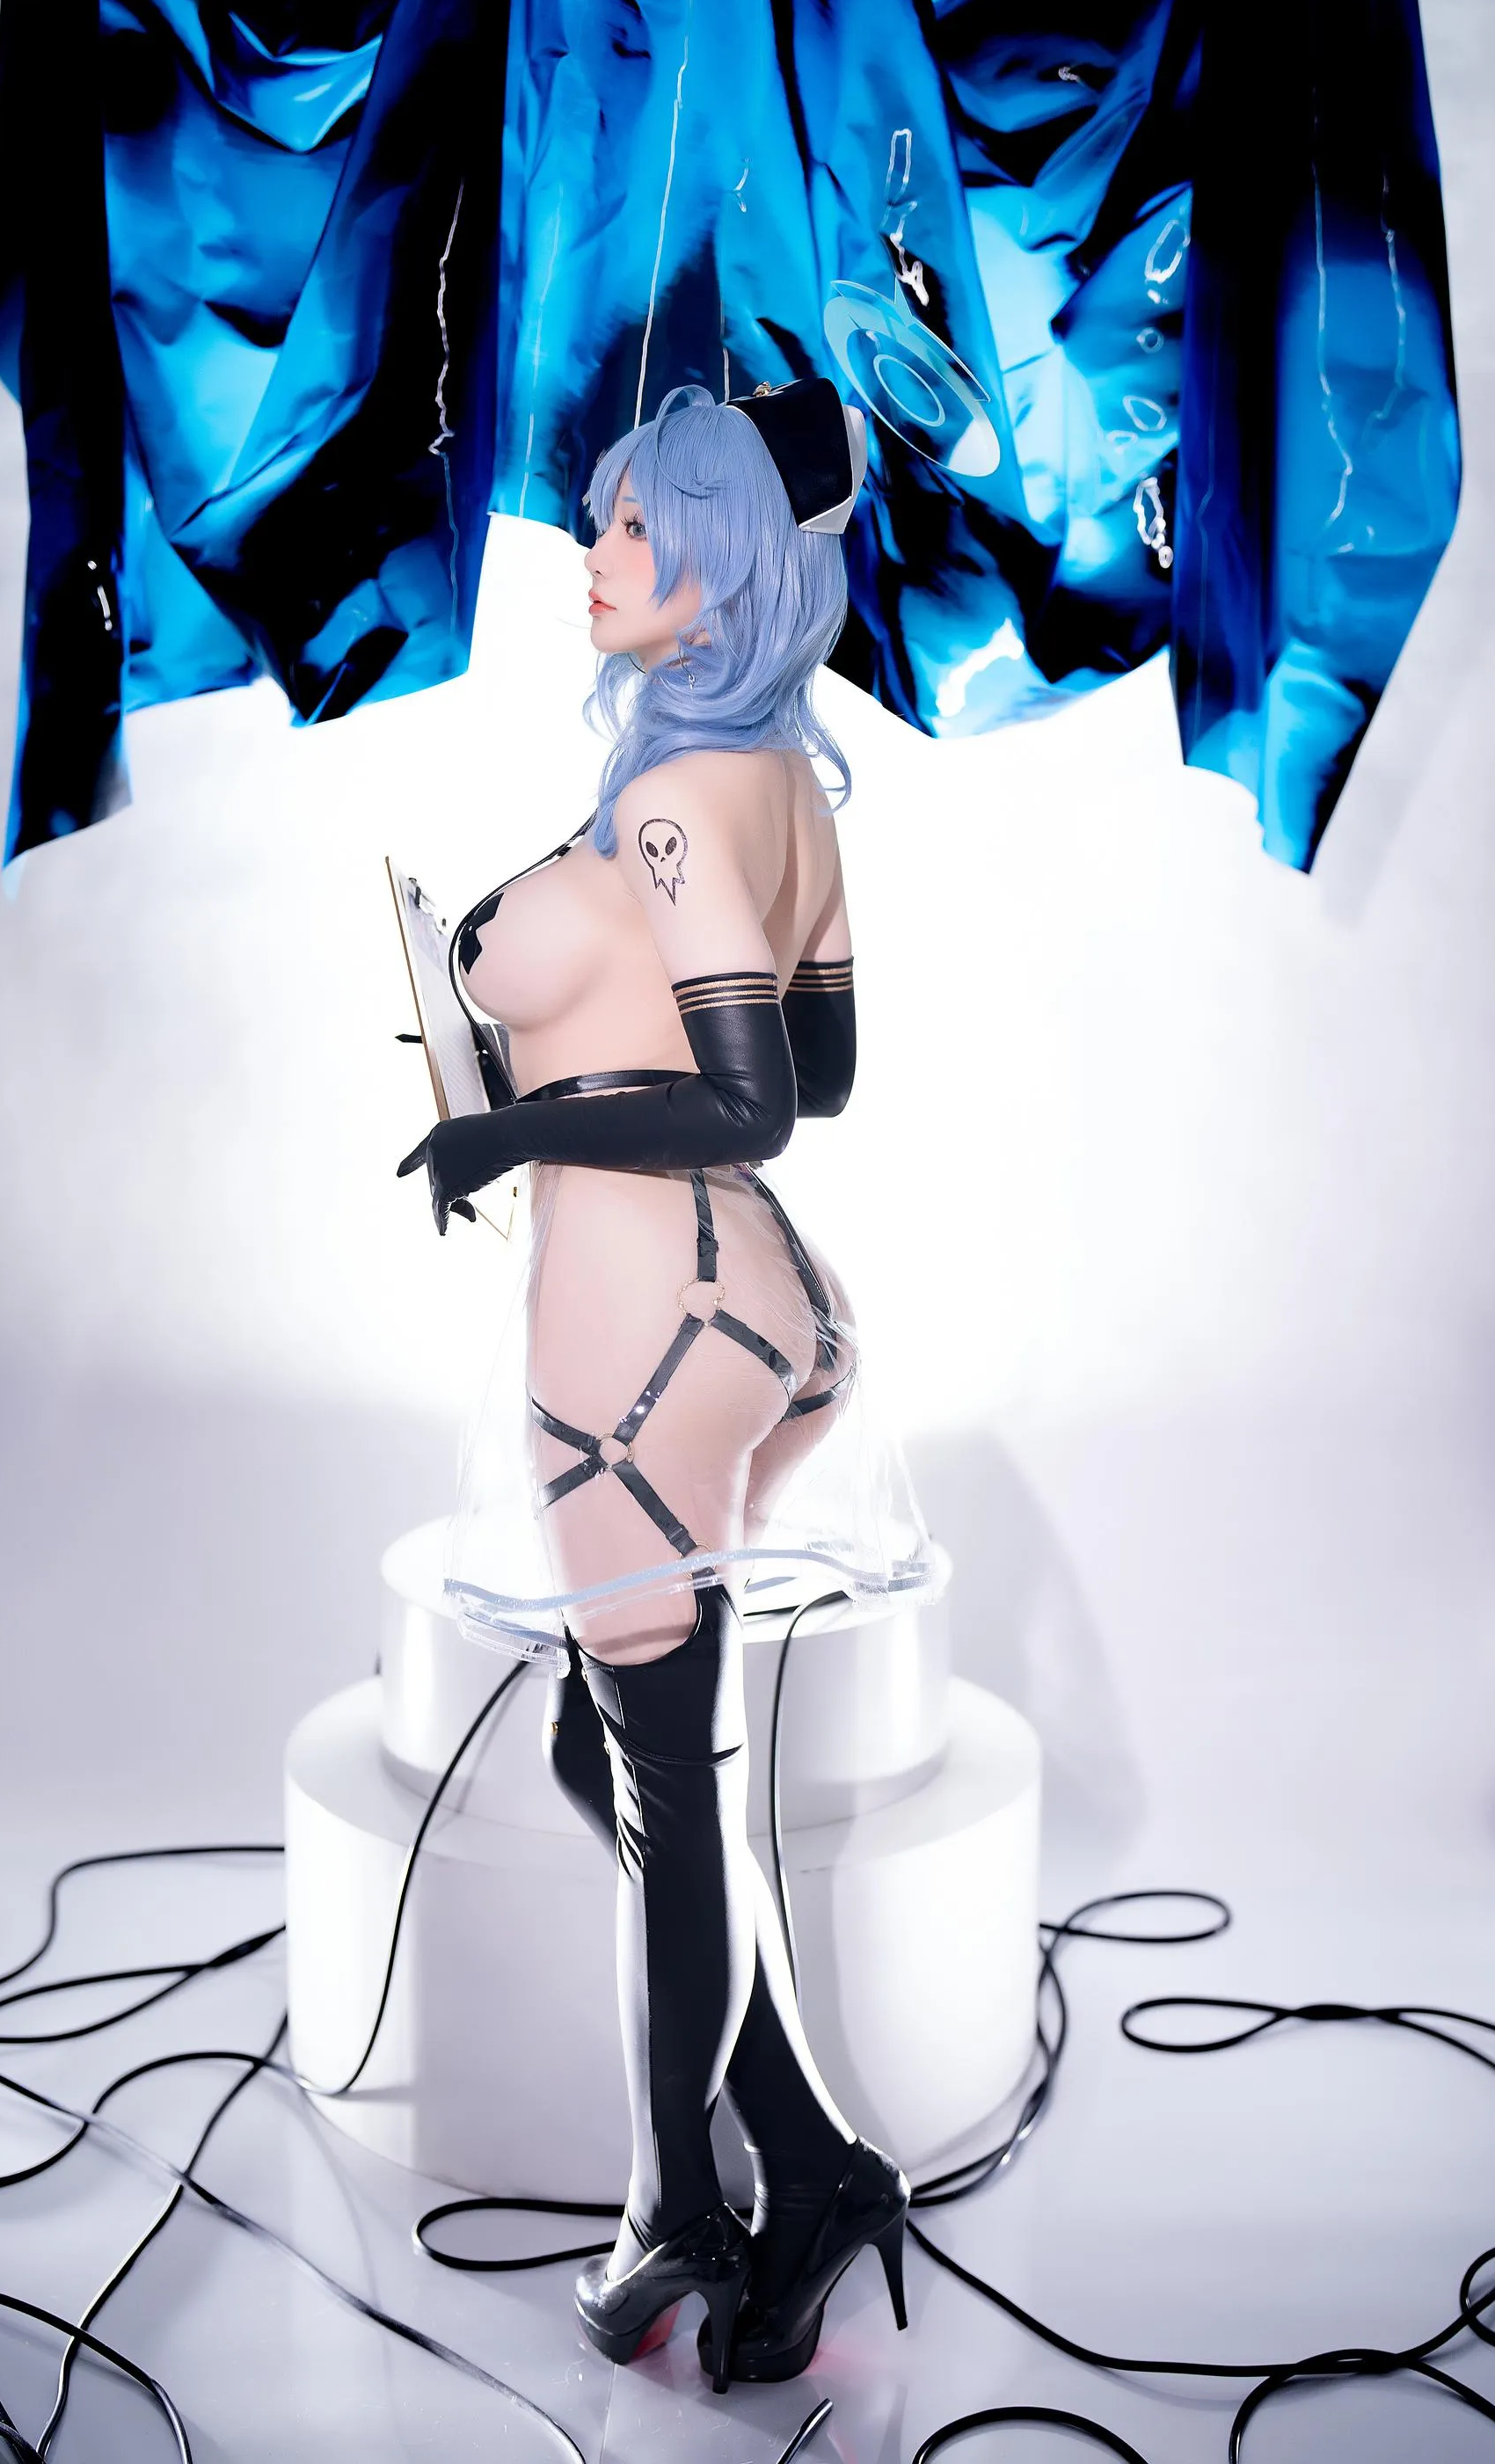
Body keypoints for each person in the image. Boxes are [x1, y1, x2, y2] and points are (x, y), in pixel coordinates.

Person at [398, 378, 908, 2394]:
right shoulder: (774, 779)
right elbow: (827, 1066)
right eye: (606, 520)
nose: (597, 555)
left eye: (634, 528)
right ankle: (810, 2161)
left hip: (641, 1347)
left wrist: (513, 1128)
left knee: (665, 1790)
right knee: (607, 1752)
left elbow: (767, 1104)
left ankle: (672, 2210)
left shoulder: (688, 799)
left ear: (725, 569)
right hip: (758, 1316)